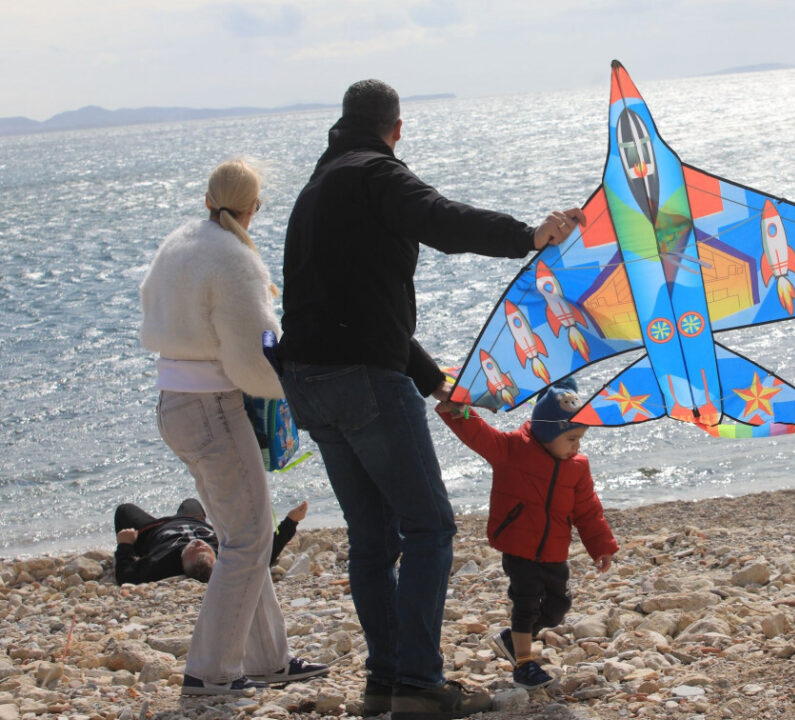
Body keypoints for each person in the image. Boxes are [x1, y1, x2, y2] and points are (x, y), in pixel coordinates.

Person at [276, 78, 584, 718]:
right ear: (396, 128)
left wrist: (431, 378)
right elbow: (442, 220)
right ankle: (417, 681)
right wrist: (530, 236)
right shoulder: (376, 175)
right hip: (360, 378)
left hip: (307, 381)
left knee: (371, 536)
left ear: (343, 122)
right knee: (429, 525)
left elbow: (347, 304)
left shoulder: (315, 191)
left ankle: (386, 683)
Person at [140, 158, 327, 696]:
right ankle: (210, 670)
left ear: (206, 200)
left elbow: (149, 310)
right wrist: (292, 391)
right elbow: (251, 360)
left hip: (173, 403)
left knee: (240, 531)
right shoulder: (233, 257)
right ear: (253, 209)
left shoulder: (178, 242)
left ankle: (269, 658)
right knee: (248, 538)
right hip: (213, 408)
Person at [436, 378, 618, 690]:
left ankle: (511, 639)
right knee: (525, 605)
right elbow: (478, 433)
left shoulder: (577, 466)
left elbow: (587, 510)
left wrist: (601, 546)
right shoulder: (511, 451)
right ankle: (523, 663)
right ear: (548, 434)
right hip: (519, 547)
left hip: (554, 550)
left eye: (580, 439)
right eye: (572, 439)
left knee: (557, 607)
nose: (577, 446)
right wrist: (458, 411)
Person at [113, 499, 308, 585]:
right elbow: (265, 553)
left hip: (155, 529)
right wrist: (291, 521)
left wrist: (125, 544)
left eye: (193, 551)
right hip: (194, 520)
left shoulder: (161, 565)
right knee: (191, 501)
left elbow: (126, 575)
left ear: (182, 563)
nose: (199, 544)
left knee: (124, 510)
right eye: (205, 549)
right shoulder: (224, 553)